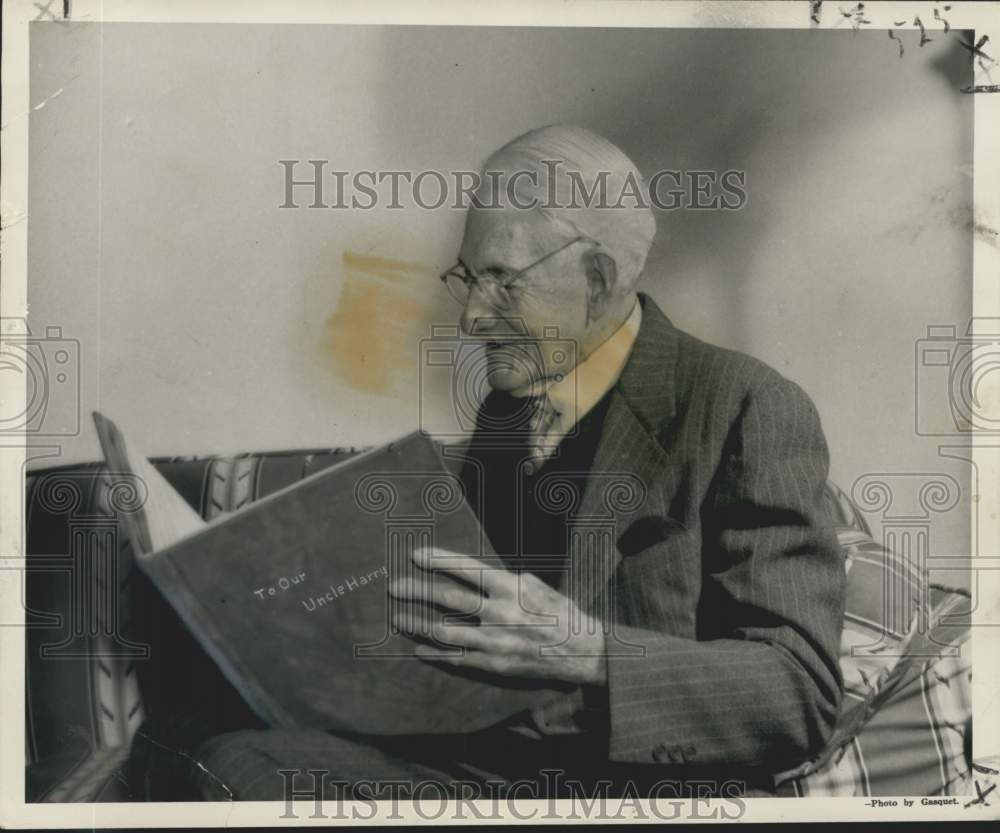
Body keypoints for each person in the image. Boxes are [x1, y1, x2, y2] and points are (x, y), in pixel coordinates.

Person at [144, 125, 846, 802]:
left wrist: (587, 649)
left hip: (626, 788)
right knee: (205, 738)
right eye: (468, 278)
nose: (470, 319)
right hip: (467, 771)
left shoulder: (744, 404)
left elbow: (800, 696)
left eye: (503, 281)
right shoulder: (508, 409)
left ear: (598, 279)